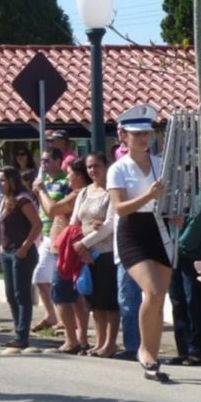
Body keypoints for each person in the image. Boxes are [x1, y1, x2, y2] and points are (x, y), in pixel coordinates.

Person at [107, 104, 178, 383]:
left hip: (159, 228)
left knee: (159, 297)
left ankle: (152, 356)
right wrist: (149, 195)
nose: (143, 138)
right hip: (132, 232)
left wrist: (175, 214)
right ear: (123, 136)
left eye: (146, 133)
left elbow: (171, 199)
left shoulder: (160, 164)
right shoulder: (117, 169)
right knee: (153, 290)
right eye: (136, 134)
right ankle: (144, 351)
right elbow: (120, 208)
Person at [71, 153, 118, 358]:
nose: (93, 170)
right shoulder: (84, 193)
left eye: (97, 166)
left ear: (106, 166)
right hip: (86, 255)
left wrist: (85, 244)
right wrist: (82, 249)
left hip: (107, 252)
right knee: (94, 303)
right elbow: (74, 222)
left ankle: (110, 344)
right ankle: (99, 342)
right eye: (89, 167)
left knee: (109, 302)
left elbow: (109, 225)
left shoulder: (112, 191)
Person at [40, 158, 90, 353]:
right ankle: (81, 338)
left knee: (61, 295)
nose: (67, 178)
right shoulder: (78, 193)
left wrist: (41, 190)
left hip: (67, 251)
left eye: (69, 174)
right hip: (64, 249)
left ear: (79, 176)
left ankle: (72, 339)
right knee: (75, 297)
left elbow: (52, 210)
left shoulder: (77, 194)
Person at [0, 166, 42, 349]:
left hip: (21, 252)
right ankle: (18, 331)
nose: (0, 184)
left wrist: (25, 247)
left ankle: (22, 336)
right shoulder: (5, 200)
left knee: (21, 294)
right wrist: (1, 246)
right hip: (6, 252)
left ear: (12, 181)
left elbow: (37, 224)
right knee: (11, 294)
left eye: (3, 180)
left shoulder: (22, 200)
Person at [30, 147, 68, 331]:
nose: (42, 164)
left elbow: (57, 208)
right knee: (40, 277)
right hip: (45, 234)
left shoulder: (65, 181)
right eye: (41, 161)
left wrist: (42, 191)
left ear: (58, 162)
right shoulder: (44, 182)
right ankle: (50, 315)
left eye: (46, 161)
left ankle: (64, 319)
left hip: (59, 233)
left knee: (57, 278)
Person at [168, 191, 201, 367]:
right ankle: (183, 349)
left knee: (194, 303)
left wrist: (181, 244)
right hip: (175, 254)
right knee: (178, 301)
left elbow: (199, 222)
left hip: (193, 254)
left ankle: (196, 351)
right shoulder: (175, 192)